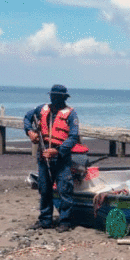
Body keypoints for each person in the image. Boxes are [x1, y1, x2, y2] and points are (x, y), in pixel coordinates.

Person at [23, 84, 87, 232]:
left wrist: (57, 151)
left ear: (64, 98)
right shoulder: (41, 109)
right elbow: (27, 117)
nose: (54, 99)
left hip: (61, 157)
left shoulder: (71, 114)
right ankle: (45, 220)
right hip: (43, 154)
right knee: (44, 189)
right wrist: (29, 132)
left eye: (58, 96)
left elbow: (72, 137)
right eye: (53, 96)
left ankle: (65, 221)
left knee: (65, 189)